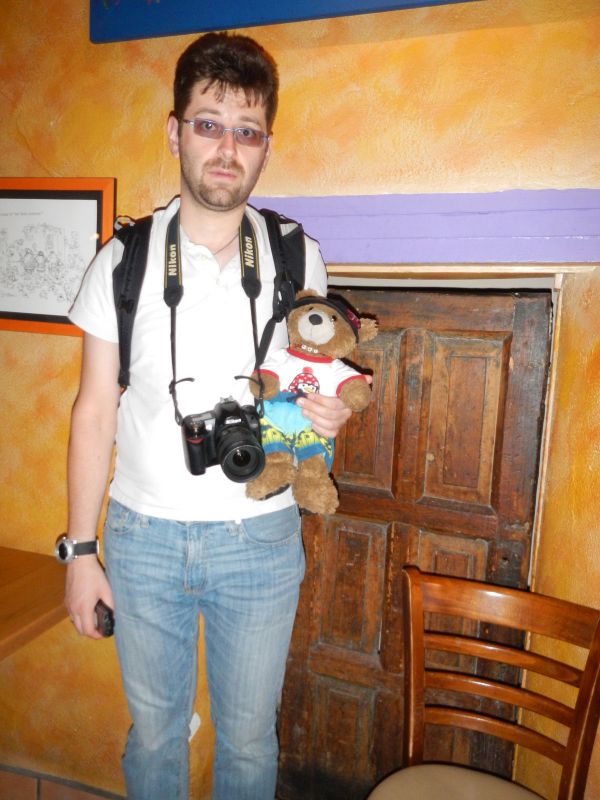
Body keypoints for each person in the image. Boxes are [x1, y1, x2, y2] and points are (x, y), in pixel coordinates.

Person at [63, 32, 355, 800]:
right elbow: (93, 411)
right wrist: (81, 553)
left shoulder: (295, 256)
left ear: (266, 148)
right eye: (209, 124)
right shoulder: (123, 261)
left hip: (261, 538)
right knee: (155, 739)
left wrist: (320, 418)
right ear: (175, 132)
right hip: (142, 540)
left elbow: (301, 385)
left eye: (247, 131)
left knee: (251, 744)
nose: (228, 148)